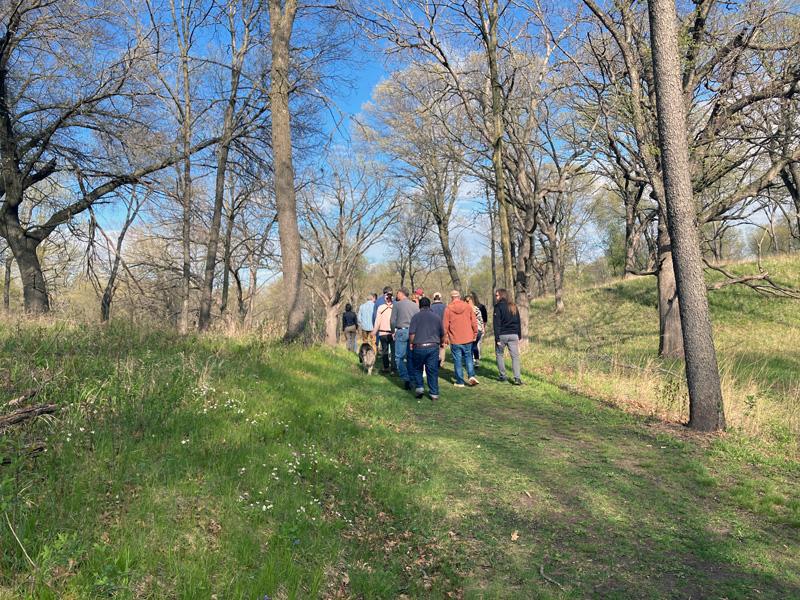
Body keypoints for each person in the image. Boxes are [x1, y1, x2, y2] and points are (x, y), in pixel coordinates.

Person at [409, 296, 444, 401]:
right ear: (429, 305)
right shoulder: (436, 317)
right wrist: (442, 343)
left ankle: (419, 387)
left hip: (419, 346)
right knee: (432, 370)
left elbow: (412, 334)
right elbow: (442, 333)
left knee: (417, 368)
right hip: (433, 346)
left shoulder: (415, 317)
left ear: (419, 306)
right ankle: (434, 393)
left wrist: (411, 343)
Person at [443, 290, 479, 387]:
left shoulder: (448, 309)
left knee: (457, 360)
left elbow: (445, 325)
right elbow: (474, 321)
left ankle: (460, 381)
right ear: (459, 297)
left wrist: (445, 336)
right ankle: (471, 376)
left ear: (451, 298)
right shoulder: (468, 307)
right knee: (468, 357)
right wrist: (475, 332)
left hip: (455, 339)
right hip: (467, 337)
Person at [390, 287, 419, 389]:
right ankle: (412, 378)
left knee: (399, 357)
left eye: (397, 293)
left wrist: (393, 331)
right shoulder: (415, 306)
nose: (396, 295)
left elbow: (393, 321)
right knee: (411, 357)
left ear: (401, 294)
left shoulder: (397, 305)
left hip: (401, 331)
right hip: (413, 332)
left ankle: (406, 378)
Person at [494, 288, 522, 385]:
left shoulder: (498, 307)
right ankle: (517, 378)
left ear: (502, 295)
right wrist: (519, 336)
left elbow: (496, 324)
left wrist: (497, 338)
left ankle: (503, 376)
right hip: (514, 335)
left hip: (502, 335)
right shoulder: (513, 306)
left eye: (497, 295)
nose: (496, 297)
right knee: (515, 357)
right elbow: (518, 322)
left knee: (499, 355)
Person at [374, 292, 394, 373]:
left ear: (385, 299)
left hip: (383, 333)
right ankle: (393, 369)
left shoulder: (380, 308)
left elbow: (377, 321)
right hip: (392, 333)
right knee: (393, 351)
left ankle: (386, 367)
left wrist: (374, 331)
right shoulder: (395, 307)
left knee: (384, 351)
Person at [466, 294, 485, 366]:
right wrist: (483, 328)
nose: (466, 302)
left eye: (467, 301)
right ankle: (476, 361)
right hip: (478, 329)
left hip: (473, 329)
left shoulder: (468, 310)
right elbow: (481, 319)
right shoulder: (477, 308)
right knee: (474, 345)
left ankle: (471, 361)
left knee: (471, 346)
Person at [430, 292, 447, 367]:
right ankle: (441, 363)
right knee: (442, 346)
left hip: (433, 329)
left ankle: (434, 361)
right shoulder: (445, 307)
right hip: (443, 328)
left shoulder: (430, 307)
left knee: (434, 346)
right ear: (440, 298)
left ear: (434, 298)